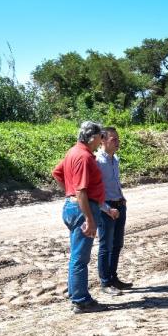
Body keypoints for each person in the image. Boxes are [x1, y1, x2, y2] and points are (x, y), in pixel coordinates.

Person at [52, 121, 119, 313]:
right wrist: (89, 218)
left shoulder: (74, 152)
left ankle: (77, 295)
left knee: (77, 256)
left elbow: (57, 173)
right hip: (82, 209)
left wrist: (69, 192)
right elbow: (82, 191)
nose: (102, 141)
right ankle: (81, 300)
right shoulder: (84, 157)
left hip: (75, 207)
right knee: (80, 258)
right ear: (92, 137)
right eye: (101, 137)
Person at [95, 127, 133, 296]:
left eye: (118, 139)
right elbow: (95, 189)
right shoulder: (97, 160)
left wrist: (122, 198)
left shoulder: (114, 159)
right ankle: (105, 282)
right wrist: (106, 208)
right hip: (106, 207)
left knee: (117, 244)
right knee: (106, 245)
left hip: (119, 203)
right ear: (102, 140)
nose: (117, 142)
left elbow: (115, 182)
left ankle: (113, 277)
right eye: (114, 140)